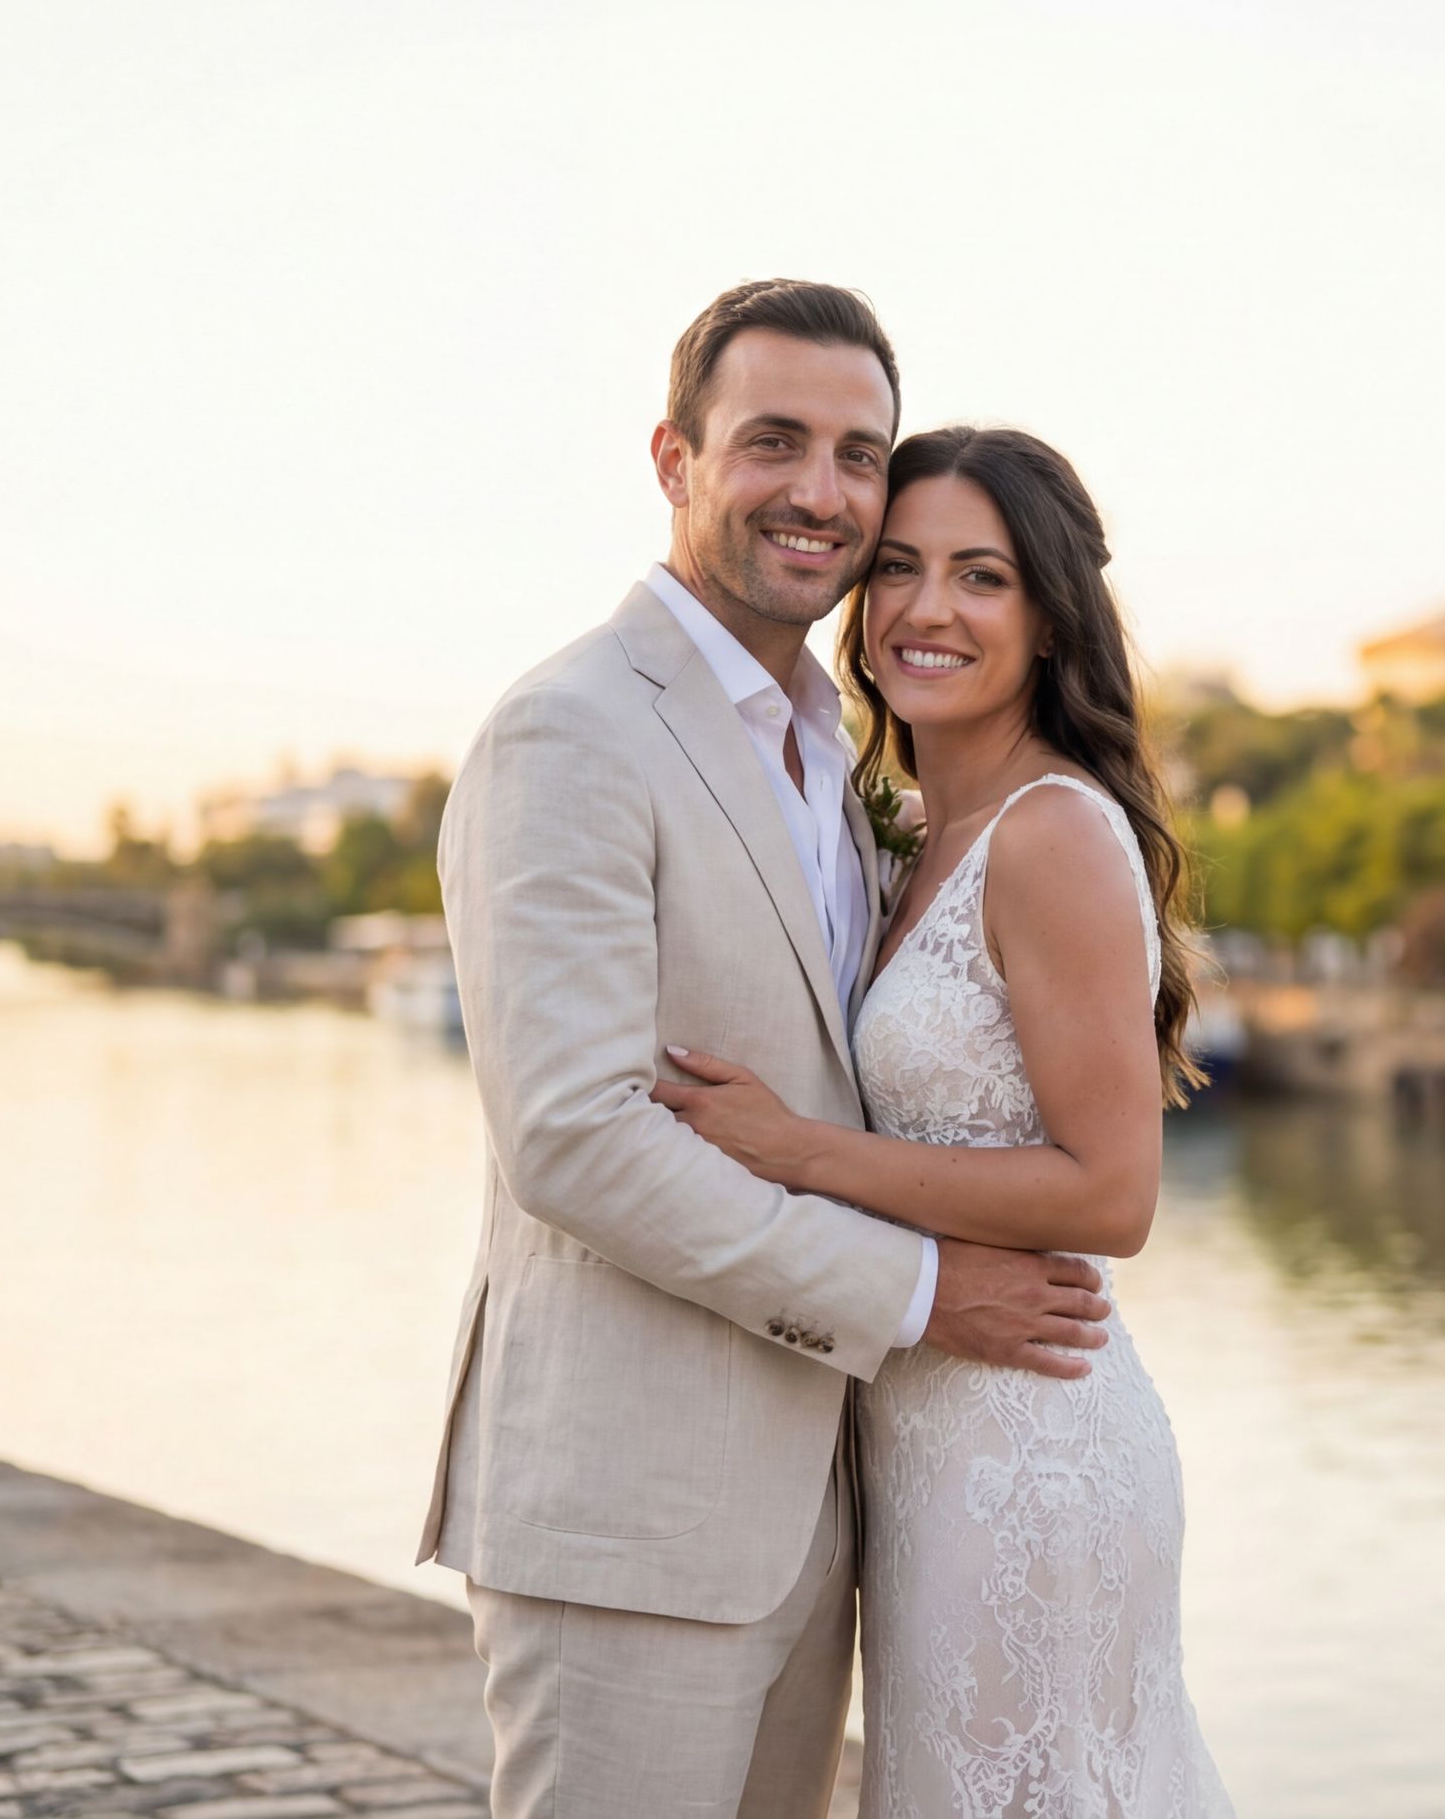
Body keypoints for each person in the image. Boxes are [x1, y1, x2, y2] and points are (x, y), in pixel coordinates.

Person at [421, 281, 1116, 1817]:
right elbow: (576, 1138)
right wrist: (921, 1292)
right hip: (632, 1515)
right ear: (674, 458)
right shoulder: (571, 729)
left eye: (860, 455)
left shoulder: (837, 752)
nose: (823, 491)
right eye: (775, 441)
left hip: (827, 1517)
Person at [655, 422, 1234, 1816]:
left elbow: (1113, 1194)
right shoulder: (909, 830)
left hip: (1029, 1442)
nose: (928, 608)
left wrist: (800, 1151)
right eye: (900, 568)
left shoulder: (1052, 833)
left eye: (983, 576)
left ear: (1050, 618)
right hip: (919, 1435)